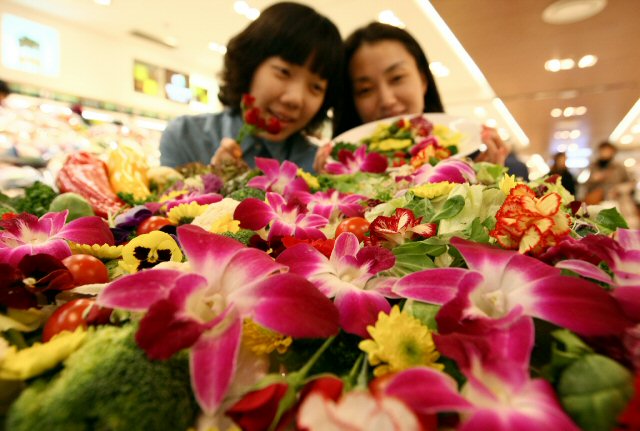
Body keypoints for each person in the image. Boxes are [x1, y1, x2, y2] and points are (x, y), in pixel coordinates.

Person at [160, 2, 343, 173]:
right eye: (284, 72)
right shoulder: (186, 136)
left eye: (316, 87)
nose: (295, 99)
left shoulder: (319, 165)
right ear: (250, 65)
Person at [326, 22, 511, 170]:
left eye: (397, 78)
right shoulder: (340, 170)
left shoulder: (469, 154)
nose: (387, 100)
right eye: (365, 89)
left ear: (423, 80)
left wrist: (483, 181)